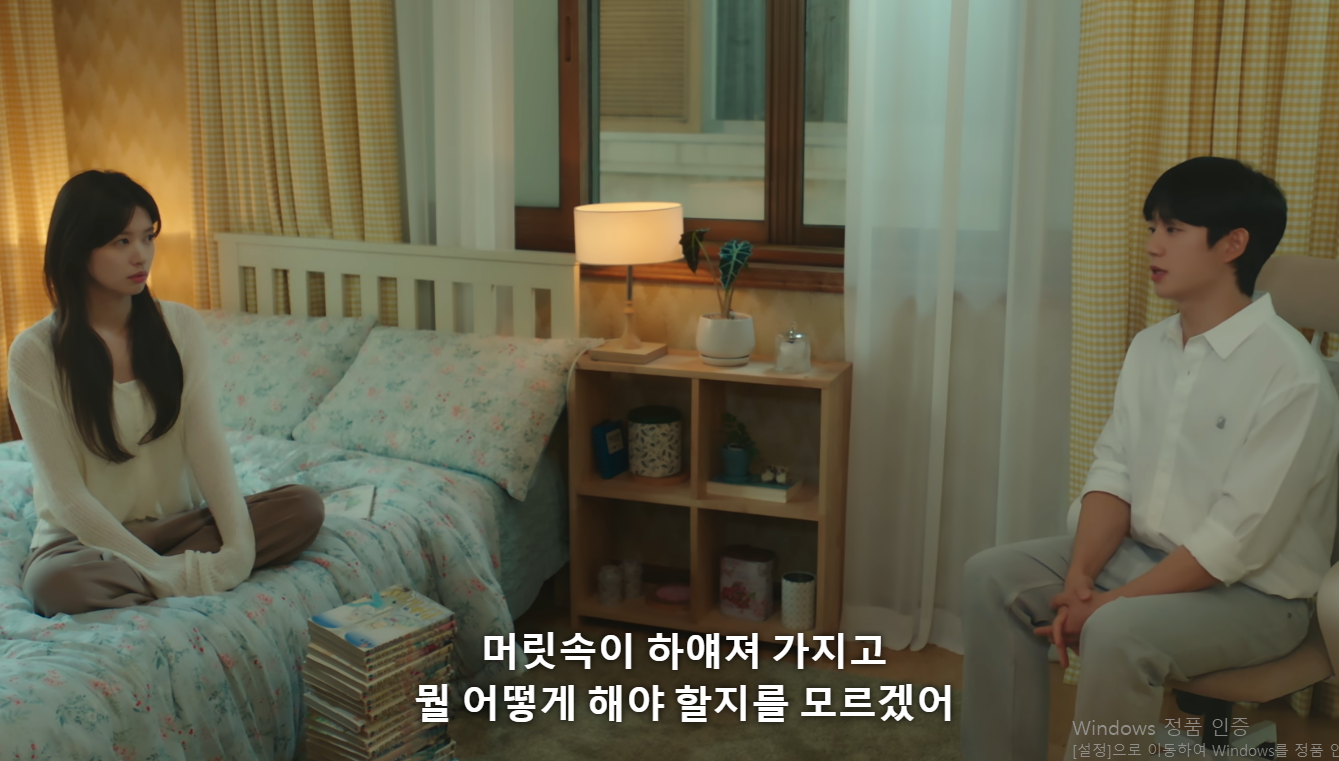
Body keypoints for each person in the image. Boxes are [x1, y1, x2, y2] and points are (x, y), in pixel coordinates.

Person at [961, 156, 1339, 760]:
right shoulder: (1150, 349)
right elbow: (1114, 473)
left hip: (1254, 598)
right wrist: (1082, 576)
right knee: (991, 576)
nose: (1153, 245)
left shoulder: (1292, 378)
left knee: (1115, 632)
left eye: (1173, 230)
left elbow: (1233, 543)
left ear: (1233, 244)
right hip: (1142, 559)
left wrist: (1106, 606)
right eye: (1152, 228)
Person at [10, 170, 325, 617]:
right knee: (53, 586)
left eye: (147, 237)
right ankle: (170, 575)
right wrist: (165, 571)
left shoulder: (180, 326)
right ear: (77, 249)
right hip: (86, 542)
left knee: (303, 507)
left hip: (181, 525)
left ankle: (153, 580)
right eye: (121, 241)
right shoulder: (34, 353)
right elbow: (67, 496)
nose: (141, 255)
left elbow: (206, 444)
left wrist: (237, 553)